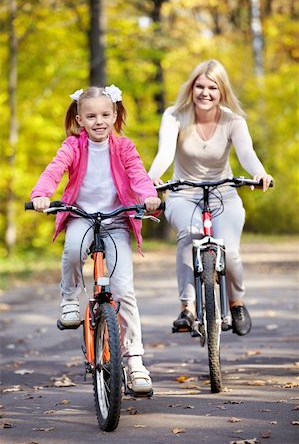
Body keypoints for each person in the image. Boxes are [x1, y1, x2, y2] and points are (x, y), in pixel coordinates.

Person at [30, 84, 161, 394]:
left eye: (105, 114)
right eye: (91, 116)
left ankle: (135, 361)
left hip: (116, 221)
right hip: (81, 216)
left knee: (124, 290)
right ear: (79, 119)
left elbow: (138, 174)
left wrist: (149, 196)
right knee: (73, 250)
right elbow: (54, 170)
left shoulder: (125, 147)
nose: (99, 121)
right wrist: (41, 194)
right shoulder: (73, 146)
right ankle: (70, 298)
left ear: (115, 115)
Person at [148, 59, 273, 336]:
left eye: (212, 88)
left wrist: (261, 174)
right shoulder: (174, 116)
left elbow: (247, 154)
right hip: (184, 193)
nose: (205, 93)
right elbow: (165, 154)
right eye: (199, 86)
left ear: (222, 91)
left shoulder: (233, 120)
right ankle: (187, 308)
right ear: (191, 88)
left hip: (223, 193)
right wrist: (151, 180)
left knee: (230, 252)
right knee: (189, 236)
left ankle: (237, 303)